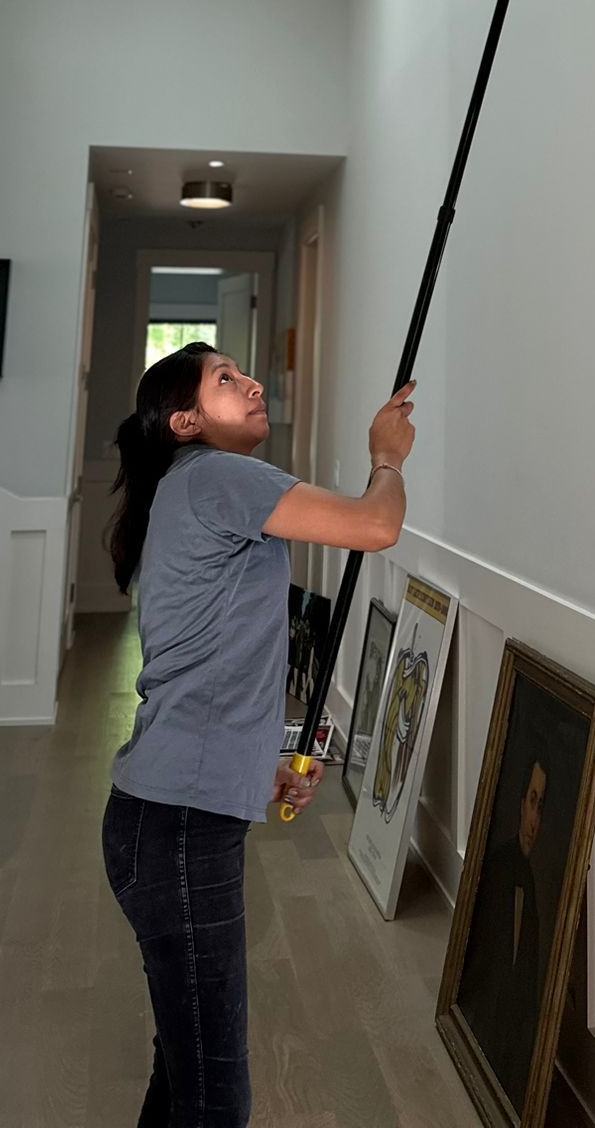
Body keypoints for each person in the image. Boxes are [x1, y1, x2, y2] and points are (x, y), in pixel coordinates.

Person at [102, 341, 415, 1127]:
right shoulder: (217, 476)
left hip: (167, 815)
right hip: (176, 829)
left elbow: (211, 667)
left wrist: (257, 762)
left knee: (185, 1072)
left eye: (244, 371)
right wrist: (387, 457)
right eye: (223, 380)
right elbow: (374, 528)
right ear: (185, 422)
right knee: (214, 1095)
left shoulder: (194, 487)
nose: (250, 383)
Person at [459, 753, 549, 1107]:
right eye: (531, 802)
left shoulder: (526, 878)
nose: (534, 820)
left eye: (541, 807)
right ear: (518, 805)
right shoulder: (501, 868)